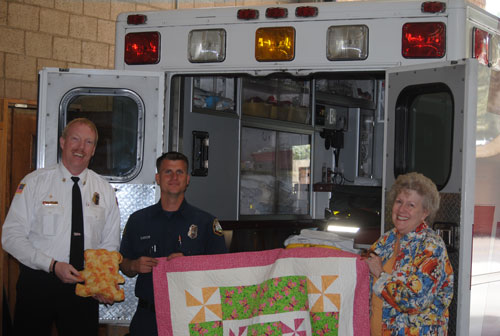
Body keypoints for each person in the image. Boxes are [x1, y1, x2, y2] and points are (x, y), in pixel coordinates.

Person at [1, 118, 121, 336]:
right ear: (62, 142)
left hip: (84, 287)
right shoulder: (35, 183)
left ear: (93, 150)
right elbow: (11, 237)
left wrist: (101, 282)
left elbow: (110, 244)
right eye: (75, 139)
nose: (80, 148)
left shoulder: (104, 191)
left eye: (88, 142)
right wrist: (52, 265)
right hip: (38, 283)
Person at [119, 151, 227, 336]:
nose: (174, 177)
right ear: (158, 178)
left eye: (180, 172)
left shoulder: (206, 223)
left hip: (192, 316)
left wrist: (189, 265)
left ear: (187, 179)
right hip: (147, 319)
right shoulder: (138, 220)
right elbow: (123, 264)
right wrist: (134, 265)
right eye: (168, 172)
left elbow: (222, 271)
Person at [364, 172, 453, 335]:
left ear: (425, 212)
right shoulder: (387, 239)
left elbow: (414, 301)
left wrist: (380, 273)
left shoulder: (431, 247)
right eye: (399, 202)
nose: (401, 209)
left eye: (411, 205)